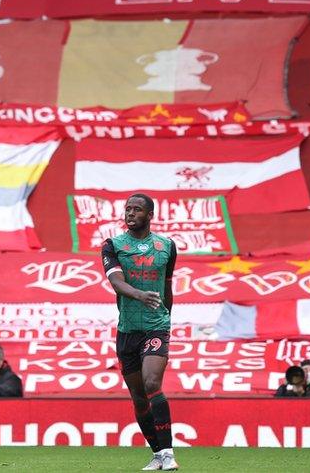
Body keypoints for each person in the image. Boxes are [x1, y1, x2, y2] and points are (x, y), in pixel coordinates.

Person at [101, 193, 179, 471]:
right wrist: (139, 295)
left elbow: (167, 286)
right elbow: (116, 282)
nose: (130, 213)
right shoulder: (113, 245)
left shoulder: (167, 246)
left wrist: (166, 316)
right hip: (128, 329)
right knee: (138, 396)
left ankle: (169, 452)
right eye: (127, 209)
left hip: (156, 326)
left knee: (151, 383)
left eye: (137, 210)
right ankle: (157, 453)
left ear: (150, 215)